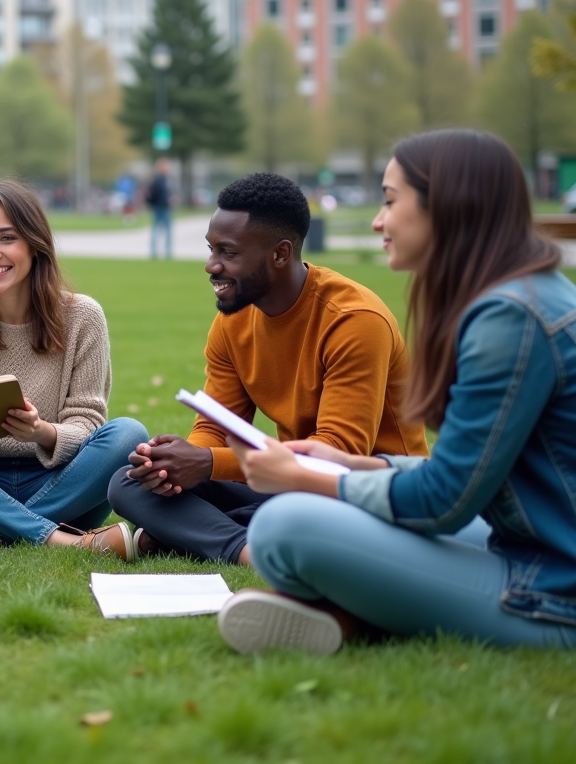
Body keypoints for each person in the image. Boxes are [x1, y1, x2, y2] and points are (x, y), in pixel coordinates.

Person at [220, 129, 576, 655]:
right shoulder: (519, 294)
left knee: (281, 526)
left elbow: (443, 501)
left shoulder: (510, 316)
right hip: (555, 552)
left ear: (448, 205)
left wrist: (305, 479)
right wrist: (353, 467)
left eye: (390, 201)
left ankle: (350, 614)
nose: (378, 220)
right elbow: (462, 474)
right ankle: (347, 614)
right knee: (330, 512)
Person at [109, 173, 429, 566]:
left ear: (279, 254)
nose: (211, 266)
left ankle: (207, 536)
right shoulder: (234, 319)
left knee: (290, 512)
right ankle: (247, 548)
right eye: (211, 249)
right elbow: (216, 426)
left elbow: (339, 454)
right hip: (291, 484)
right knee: (129, 483)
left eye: (228, 253)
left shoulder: (354, 320)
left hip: (373, 497)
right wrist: (175, 466)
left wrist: (207, 464)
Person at [0, 180, 148, 559]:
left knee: (129, 433)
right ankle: (66, 539)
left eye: (6, 238)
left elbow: (88, 420)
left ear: (35, 243)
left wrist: (41, 432)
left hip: (63, 482)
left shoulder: (83, 316)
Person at [146, 157, 172, 259]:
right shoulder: (158, 180)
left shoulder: (165, 179)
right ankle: (156, 252)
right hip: (160, 207)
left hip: (164, 207)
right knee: (158, 230)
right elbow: (152, 194)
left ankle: (166, 252)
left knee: (164, 231)